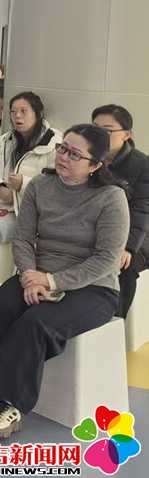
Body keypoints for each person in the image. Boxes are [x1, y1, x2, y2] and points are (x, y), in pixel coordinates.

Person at [0, 125, 128, 438]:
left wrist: (51, 281)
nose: (63, 157)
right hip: (35, 275)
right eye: (62, 148)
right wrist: (31, 278)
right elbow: (23, 238)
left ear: (95, 165)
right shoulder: (40, 185)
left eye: (74, 154)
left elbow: (106, 260)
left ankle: (4, 401)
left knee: (36, 323)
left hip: (94, 288)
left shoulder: (111, 197)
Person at [0, 92, 62, 248]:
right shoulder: (6, 140)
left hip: (23, 214)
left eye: (23, 111)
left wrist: (23, 184)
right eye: (13, 112)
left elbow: (57, 186)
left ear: (38, 114)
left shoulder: (54, 144)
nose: (17, 116)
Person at [91, 105, 149, 319]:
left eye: (107, 130)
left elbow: (142, 209)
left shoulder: (142, 164)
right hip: (95, 229)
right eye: (94, 128)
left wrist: (128, 247)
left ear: (127, 134)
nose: (99, 135)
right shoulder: (87, 157)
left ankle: (114, 322)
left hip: (137, 235)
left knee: (124, 266)